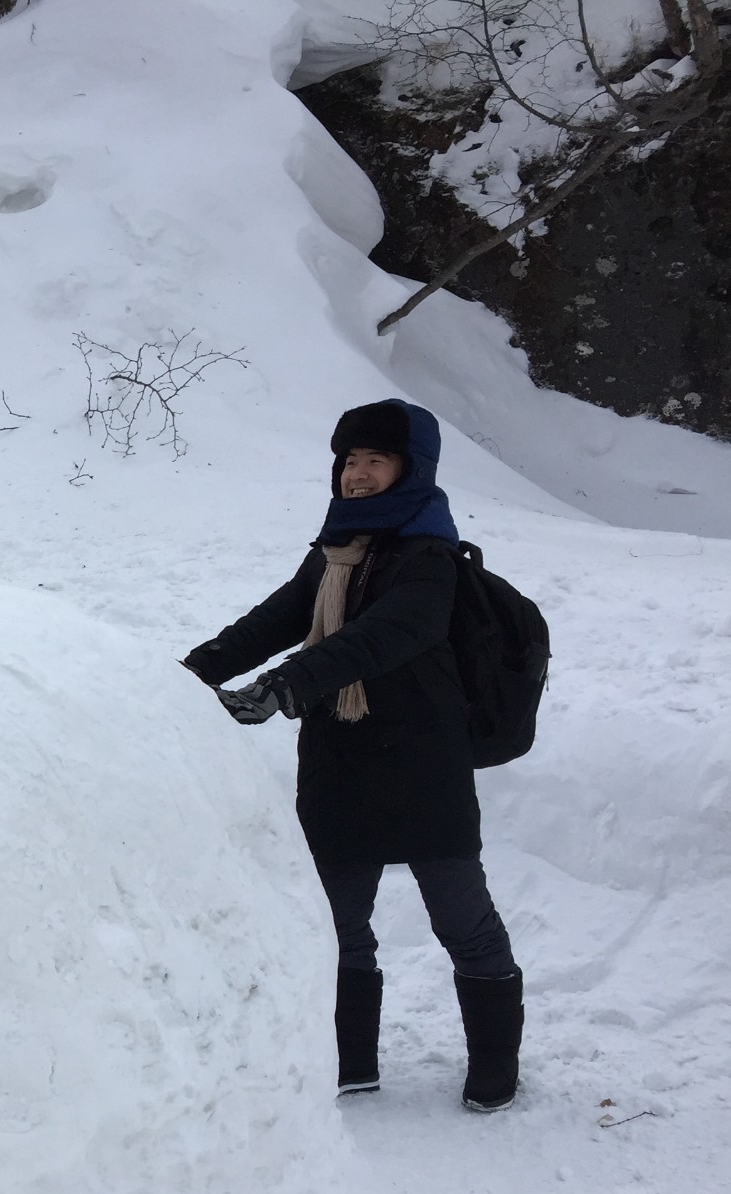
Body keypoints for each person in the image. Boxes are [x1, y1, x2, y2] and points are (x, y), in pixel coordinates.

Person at [181, 399, 524, 1112]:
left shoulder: (432, 559)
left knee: (461, 918)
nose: (357, 474)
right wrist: (188, 673)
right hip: (340, 759)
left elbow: (388, 634)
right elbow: (276, 619)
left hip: (425, 761)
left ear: (411, 471)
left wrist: (286, 684)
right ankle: (351, 1060)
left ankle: (495, 1064)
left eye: (375, 460)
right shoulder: (337, 549)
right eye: (349, 461)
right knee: (335, 921)